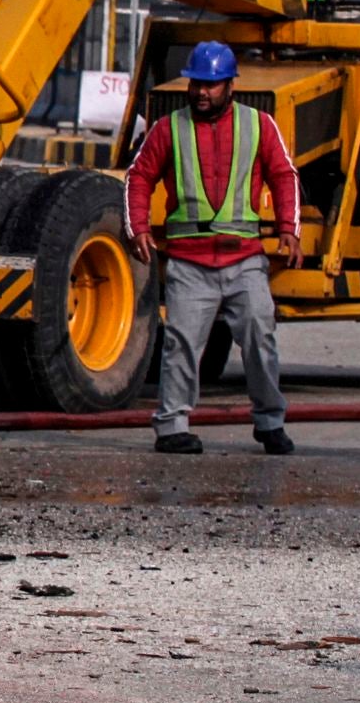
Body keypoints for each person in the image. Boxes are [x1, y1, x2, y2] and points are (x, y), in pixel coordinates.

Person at [125, 41, 300, 456]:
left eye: (211, 85)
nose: (202, 92)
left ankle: (270, 422)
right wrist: (138, 227)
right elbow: (139, 176)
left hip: (245, 259)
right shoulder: (168, 129)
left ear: (230, 86)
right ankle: (172, 426)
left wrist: (290, 229)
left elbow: (284, 174)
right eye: (197, 84)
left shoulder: (259, 126)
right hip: (189, 260)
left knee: (261, 336)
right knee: (181, 342)